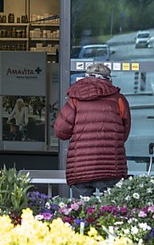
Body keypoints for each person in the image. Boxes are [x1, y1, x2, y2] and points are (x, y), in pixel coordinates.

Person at [54, 62, 131, 196]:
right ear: (108, 78)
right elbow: (123, 132)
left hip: (81, 166)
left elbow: (61, 131)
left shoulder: (75, 100)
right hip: (110, 166)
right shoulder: (119, 99)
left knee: (82, 207)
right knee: (111, 205)